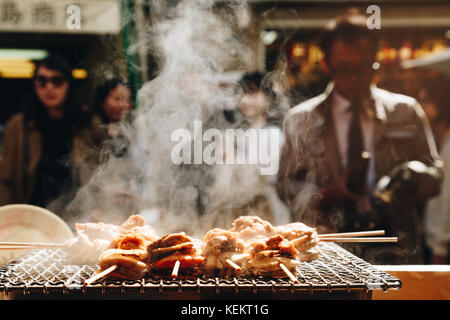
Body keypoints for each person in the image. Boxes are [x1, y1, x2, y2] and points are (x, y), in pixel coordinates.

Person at [276, 10, 443, 264]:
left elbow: (436, 177)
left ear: (375, 62)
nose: (355, 78)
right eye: (344, 69)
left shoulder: (405, 111)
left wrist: (413, 176)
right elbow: (285, 185)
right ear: (326, 65)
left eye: (364, 68)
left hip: (395, 245)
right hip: (327, 249)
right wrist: (322, 194)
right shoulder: (302, 118)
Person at [0, 54, 90, 219]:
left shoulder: (86, 124)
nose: (49, 87)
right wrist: (7, 219)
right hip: (30, 217)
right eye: (42, 81)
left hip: (76, 217)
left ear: (68, 84)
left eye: (57, 81)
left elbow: (95, 175)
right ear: (34, 86)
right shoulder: (19, 124)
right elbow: (6, 180)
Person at [421, 75, 450, 264]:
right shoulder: (436, 139)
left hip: (442, 245)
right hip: (432, 239)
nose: (420, 106)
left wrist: (440, 246)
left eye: (426, 101)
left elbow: (446, 200)